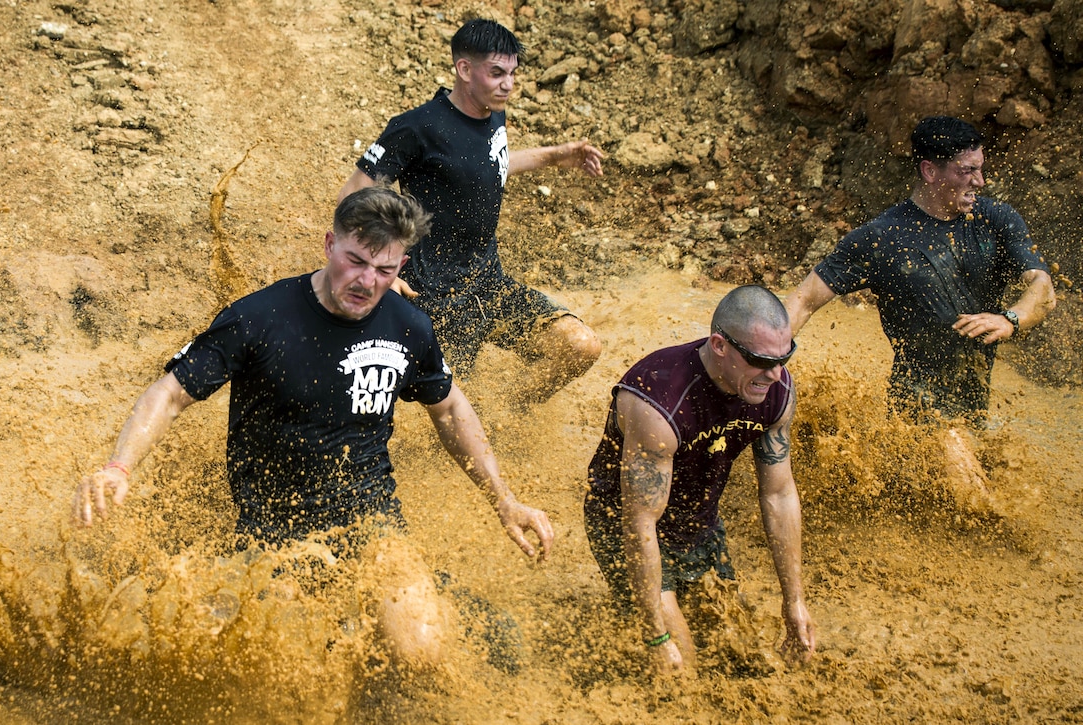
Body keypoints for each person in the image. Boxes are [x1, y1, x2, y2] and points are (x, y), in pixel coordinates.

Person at [72, 186, 554, 671]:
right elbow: (170, 393)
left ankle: (444, 600)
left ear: (401, 267)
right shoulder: (259, 317)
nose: (367, 281)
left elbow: (449, 409)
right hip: (268, 529)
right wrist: (119, 467)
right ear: (329, 245)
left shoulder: (409, 326)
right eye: (356, 261)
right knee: (251, 664)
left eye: (385, 270)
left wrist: (503, 498)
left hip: (370, 518)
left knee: (418, 656)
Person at [784, 116, 1056, 510]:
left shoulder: (995, 220)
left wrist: (1010, 319)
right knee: (981, 508)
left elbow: (1043, 290)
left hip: (974, 401)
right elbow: (803, 300)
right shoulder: (881, 238)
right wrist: (756, 359)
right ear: (930, 170)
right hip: (918, 404)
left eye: (980, 169)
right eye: (967, 172)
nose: (979, 182)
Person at [338, 18, 604, 409]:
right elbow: (352, 197)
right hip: (429, 298)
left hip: (486, 287)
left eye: (513, 73)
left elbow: (482, 167)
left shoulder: (493, 113)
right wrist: (377, 271)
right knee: (433, 406)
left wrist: (554, 156)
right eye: (497, 73)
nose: (508, 84)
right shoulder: (417, 128)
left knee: (580, 346)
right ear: (464, 69)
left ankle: (507, 416)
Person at [584, 285, 816, 676]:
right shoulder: (658, 401)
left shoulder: (777, 391)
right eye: (760, 360)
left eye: (784, 357)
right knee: (682, 668)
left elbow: (778, 494)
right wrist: (656, 637)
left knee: (738, 657)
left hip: (700, 524)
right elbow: (639, 523)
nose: (775, 374)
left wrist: (794, 602)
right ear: (720, 346)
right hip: (626, 524)